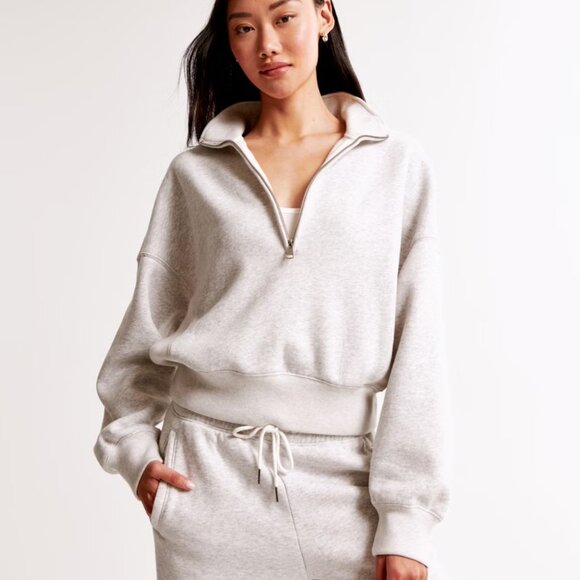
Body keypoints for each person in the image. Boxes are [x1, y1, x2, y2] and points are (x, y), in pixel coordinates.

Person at [92, 0, 452, 579]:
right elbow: (147, 323)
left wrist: (407, 518)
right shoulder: (195, 173)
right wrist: (134, 451)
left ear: (324, 16)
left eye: (284, 17)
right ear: (230, 43)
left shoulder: (397, 166)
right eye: (244, 27)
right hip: (204, 485)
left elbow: (420, 346)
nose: (267, 44)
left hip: (346, 492)